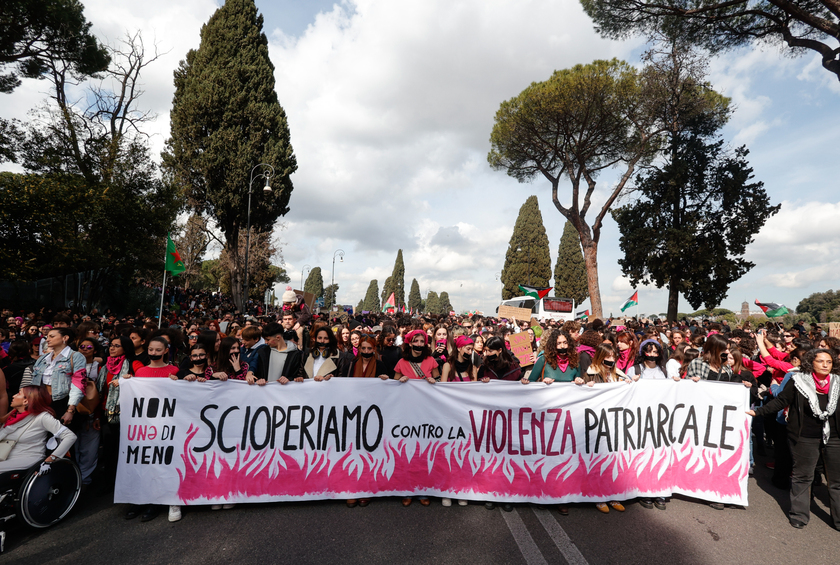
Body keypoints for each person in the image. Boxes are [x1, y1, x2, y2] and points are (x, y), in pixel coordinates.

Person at [748, 349, 840, 530]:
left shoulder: (838, 382)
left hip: (834, 437)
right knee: (802, 476)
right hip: (804, 436)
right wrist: (758, 412)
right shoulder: (798, 381)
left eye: (828, 362)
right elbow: (781, 400)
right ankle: (799, 514)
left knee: (836, 481)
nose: (825, 365)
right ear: (810, 363)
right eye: (820, 361)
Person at [575, 343, 630, 514]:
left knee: (613, 462)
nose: (611, 360)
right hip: (596, 425)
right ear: (600, 357)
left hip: (614, 425)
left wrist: (630, 383)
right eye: (608, 357)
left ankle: (612, 494)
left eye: (614, 357)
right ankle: (597, 496)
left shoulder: (618, 375)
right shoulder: (590, 375)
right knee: (596, 462)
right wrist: (582, 385)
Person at [0, 386, 77, 472]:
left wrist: (50, 459)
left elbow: (70, 436)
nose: (13, 396)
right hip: (5, 455)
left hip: (26, 458)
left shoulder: (42, 417)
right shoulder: (13, 416)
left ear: (26, 401)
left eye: (18, 393)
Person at [29, 327, 87, 425]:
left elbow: (78, 384)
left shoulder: (76, 356)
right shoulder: (43, 358)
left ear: (65, 338)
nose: (47, 339)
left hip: (63, 402)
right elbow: (33, 382)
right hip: (41, 401)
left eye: (52, 336)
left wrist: (70, 410)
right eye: (47, 337)